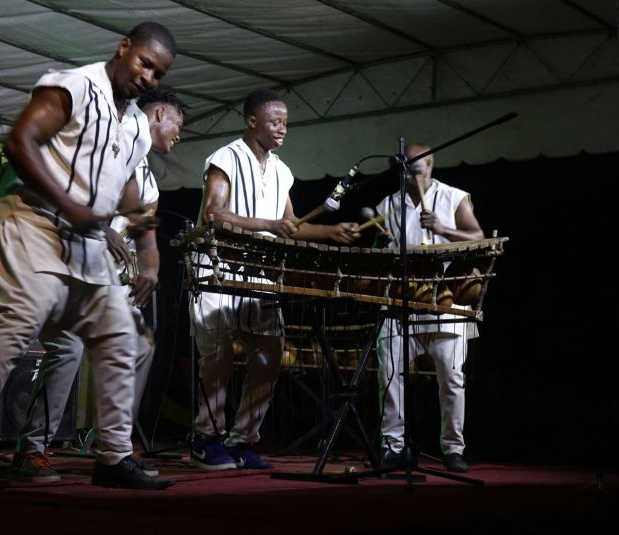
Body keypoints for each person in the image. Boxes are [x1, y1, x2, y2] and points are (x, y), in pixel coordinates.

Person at [0, 22, 178, 490]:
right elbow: (19, 141)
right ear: (124, 48)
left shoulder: (137, 125)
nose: (148, 76)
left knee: (128, 338)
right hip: (35, 222)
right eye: (144, 62)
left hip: (86, 240)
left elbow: (127, 186)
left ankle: (113, 458)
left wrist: (149, 247)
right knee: (20, 320)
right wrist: (70, 205)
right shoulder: (76, 86)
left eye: (157, 73)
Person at [9, 87, 186, 484]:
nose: (179, 135)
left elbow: (143, 228)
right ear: (158, 114)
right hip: (66, 262)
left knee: (140, 346)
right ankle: (31, 450)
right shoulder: (105, 140)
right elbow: (55, 186)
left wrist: (147, 269)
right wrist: (101, 226)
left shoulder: (148, 178)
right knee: (67, 348)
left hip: (105, 280)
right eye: (178, 123)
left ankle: (114, 453)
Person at [189, 88, 361, 471]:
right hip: (218, 266)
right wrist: (269, 225)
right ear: (253, 121)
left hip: (261, 273)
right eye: (275, 121)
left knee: (269, 357)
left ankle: (243, 440)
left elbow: (291, 227)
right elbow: (214, 215)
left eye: (285, 121)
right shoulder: (226, 158)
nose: (283, 128)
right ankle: (205, 439)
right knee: (216, 358)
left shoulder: (282, 170)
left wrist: (330, 232)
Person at [375, 143, 484, 473]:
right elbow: (382, 249)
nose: (411, 172)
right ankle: (391, 445)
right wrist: (378, 242)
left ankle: (452, 448)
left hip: (445, 300)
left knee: (451, 380)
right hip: (402, 301)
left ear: (431, 164)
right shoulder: (388, 204)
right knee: (389, 375)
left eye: (417, 166)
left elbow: (477, 236)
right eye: (406, 167)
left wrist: (443, 229)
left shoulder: (454, 197)